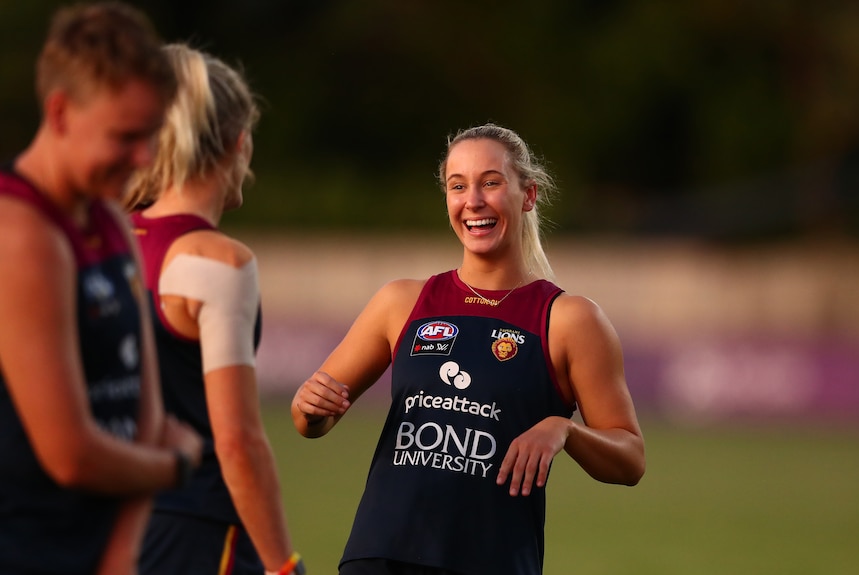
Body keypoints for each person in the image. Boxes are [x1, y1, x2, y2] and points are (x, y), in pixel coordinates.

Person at [292, 123, 646, 575]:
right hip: (380, 553)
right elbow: (310, 421)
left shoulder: (569, 319)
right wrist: (309, 405)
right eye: (457, 186)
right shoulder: (401, 302)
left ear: (529, 195)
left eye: (491, 183)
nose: (473, 201)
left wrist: (566, 430)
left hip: (492, 560)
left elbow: (630, 459)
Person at [0, 3, 205, 575]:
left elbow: (143, 410)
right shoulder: (20, 235)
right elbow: (69, 454)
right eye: (125, 136)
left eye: (151, 136)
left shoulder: (111, 220)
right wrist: (176, 467)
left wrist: (121, 551)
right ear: (61, 113)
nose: (144, 159)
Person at [124, 43, 304, 575]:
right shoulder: (217, 263)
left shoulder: (101, 238)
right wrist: (282, 565)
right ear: (236, 143)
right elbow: (238, 441)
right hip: (194, 532)